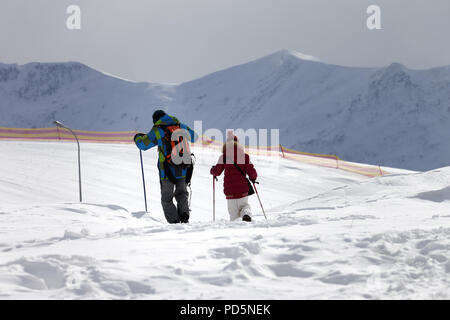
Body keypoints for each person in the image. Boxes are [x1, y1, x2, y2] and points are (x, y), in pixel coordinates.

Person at [134, 110, 197, 224]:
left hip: (167, 171)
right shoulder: (180, 125)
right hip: (183, 168)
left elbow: (143, 145)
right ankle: (184, 219)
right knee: (182, 194)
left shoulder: (158, 130)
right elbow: (194, 137)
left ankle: (174, 224)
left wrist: (137, 138)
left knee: (166, 199)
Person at [210, 132, 258, 222]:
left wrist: (212, 170)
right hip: (242, 190)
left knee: (234, 215)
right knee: (245, 206)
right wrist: (253, 178)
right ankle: (246, 214)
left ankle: (235, 229)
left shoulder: (223, 157)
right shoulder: (244, 157)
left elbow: (217, 172)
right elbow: (252, 172)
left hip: (230, 192)